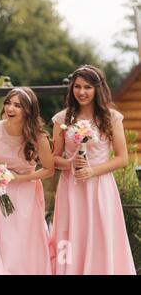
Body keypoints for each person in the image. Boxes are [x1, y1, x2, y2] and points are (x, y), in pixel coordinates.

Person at [50, 65, 136, 275]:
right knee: (72, 235)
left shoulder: (111, 117)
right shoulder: (62, 119)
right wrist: (70, 164)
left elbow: (122, 158)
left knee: (101, 234)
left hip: (100, 186)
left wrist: (93, 171)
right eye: (77, 87)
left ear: (98, 88)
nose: (81, 92)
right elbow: (53, 158)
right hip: (71, 187)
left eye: (87, 87)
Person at [0, 87, 54, 275]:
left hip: (25, 195)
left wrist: (21, 178)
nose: (10, 108)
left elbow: (49, 170)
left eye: (17, 105)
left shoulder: (39, 137)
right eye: (8, 103)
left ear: (28, 110)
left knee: (20, 243)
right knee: (1, 241)